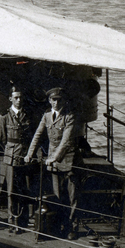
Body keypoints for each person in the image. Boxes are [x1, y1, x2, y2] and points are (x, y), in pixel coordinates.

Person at [25, 87, 86, 236]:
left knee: (73, 198)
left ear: (63, 101)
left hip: (69, 161)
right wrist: (29, 153)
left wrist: (53, 158)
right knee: (58, 196)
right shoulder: (46, 116)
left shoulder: (69, 116)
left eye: (59, 100)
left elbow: (66, 141)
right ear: (49, 101)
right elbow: (38, 135)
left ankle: (73, 227)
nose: (56, 103)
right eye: (53, 100)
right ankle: (60, 225)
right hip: (54, 163)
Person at [0, 87, 35, 230]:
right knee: (11, 190)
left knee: (25, 188)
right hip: (11, 156)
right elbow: (2, 138)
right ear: (10, 99)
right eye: (16, 97)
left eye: (21, 97)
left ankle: (24, 219)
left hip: (25, 155)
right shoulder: (4, 116)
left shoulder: (28, 115)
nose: (19, 100)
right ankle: (12, 219)